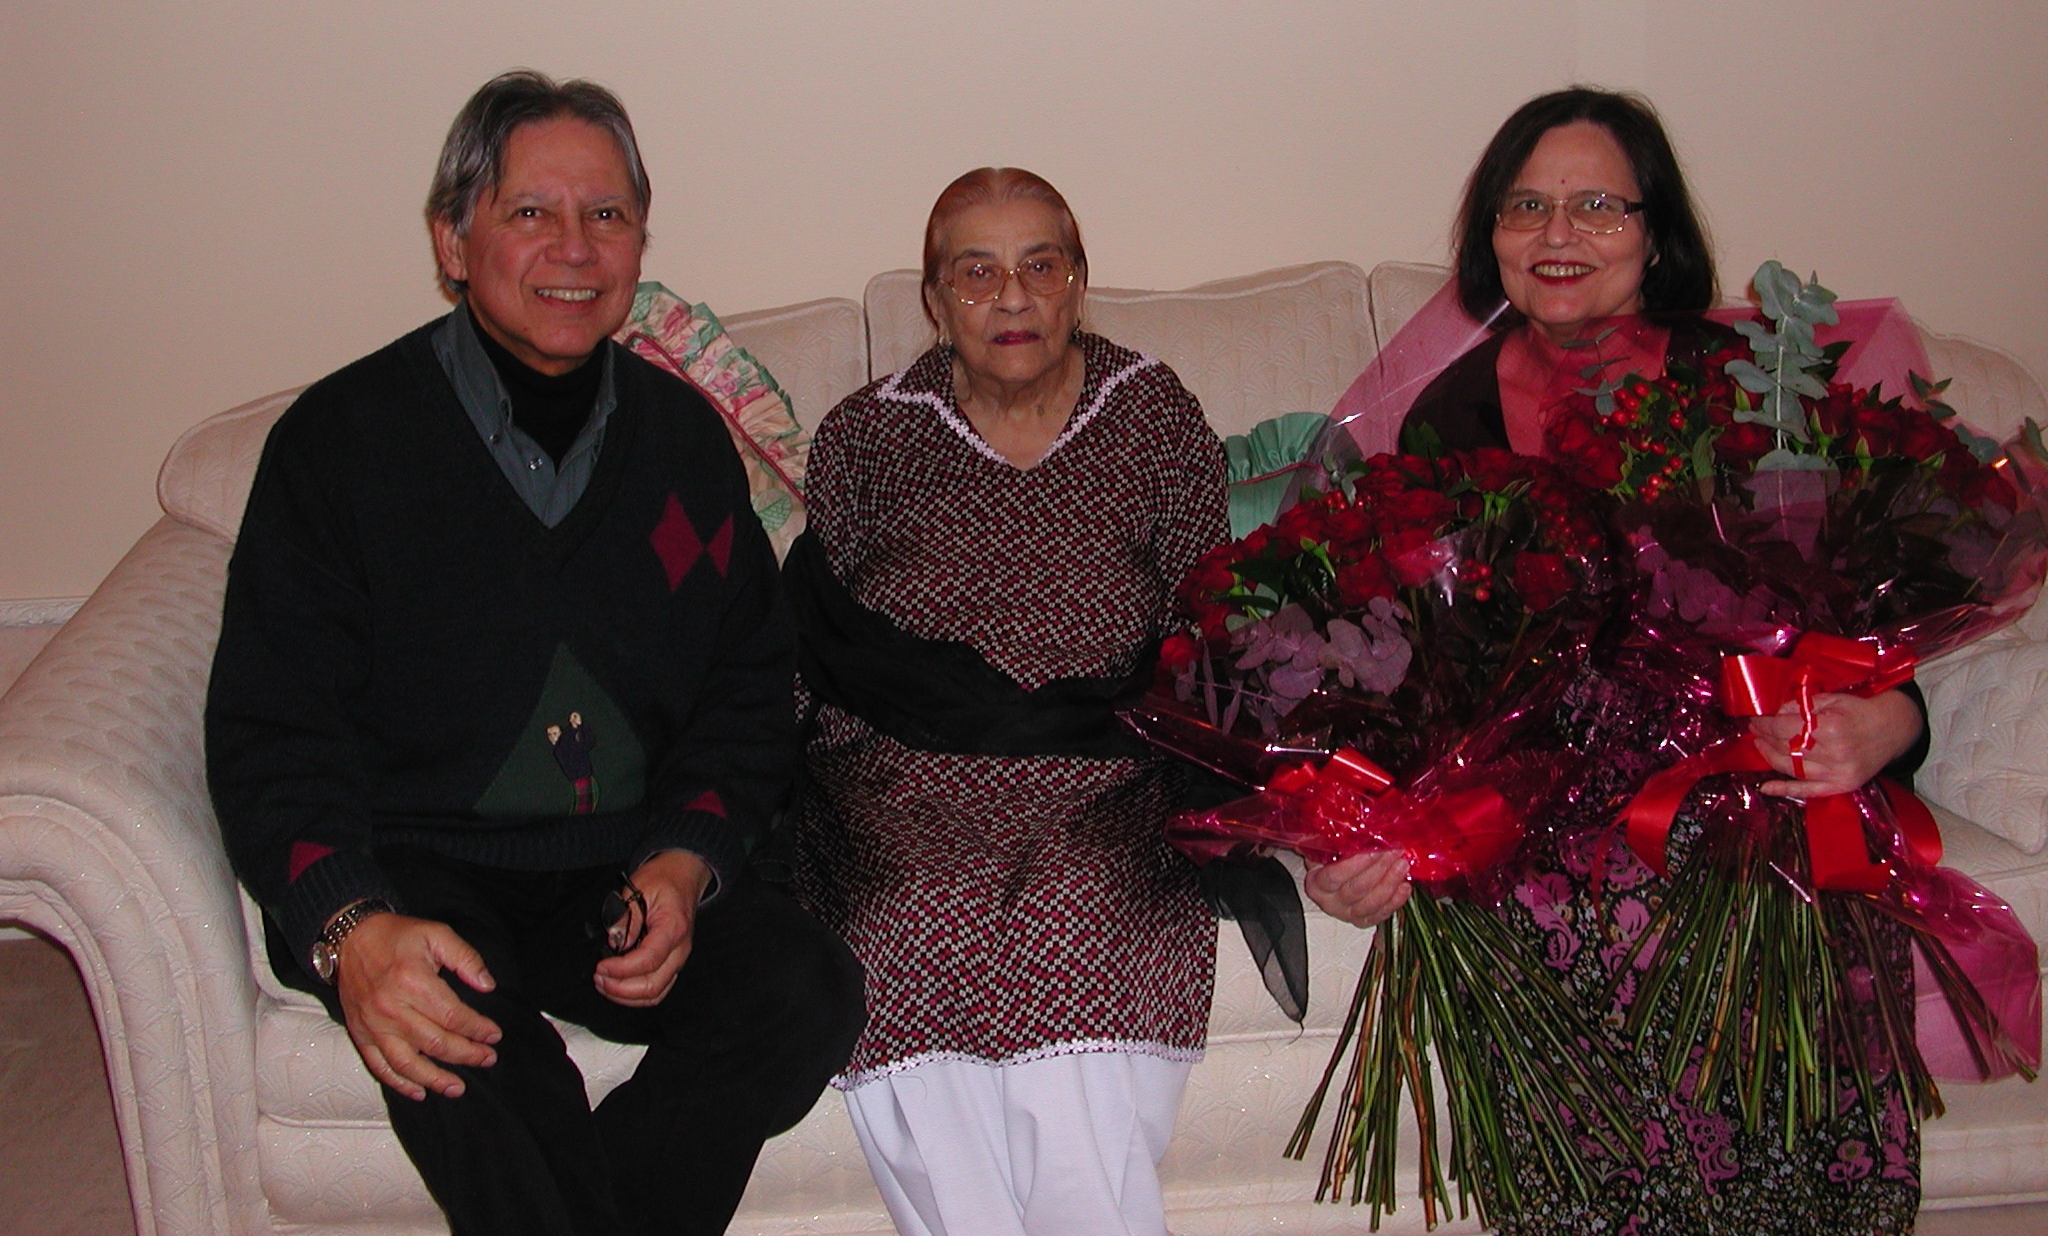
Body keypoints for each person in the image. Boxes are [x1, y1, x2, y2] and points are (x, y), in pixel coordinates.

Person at [205, 70, 864, 1236]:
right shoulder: (340, 446)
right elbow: (271, 730)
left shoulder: (683, 450)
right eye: (530, 212)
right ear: (452, 241)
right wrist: (349, 928)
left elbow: (747, 693)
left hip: (614, 869)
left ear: (639, 241)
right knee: (463, 1048)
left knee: (801, 992)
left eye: (606, 215)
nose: (575, 247)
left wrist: (684, 861)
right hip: (419, 868)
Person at [1305, 86, 1927, 1235]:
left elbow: (1865, 617)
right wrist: (1359, 829)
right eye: (1524, 206)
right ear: (1487, 235)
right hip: (1542, 782)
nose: (1554, 235)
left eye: (1595, 205)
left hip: (1737, 758)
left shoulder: (1755, 388)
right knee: (1542, 899)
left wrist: (1886, 724)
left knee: (1758, 873)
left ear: (1654, 233)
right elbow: (1427, 669)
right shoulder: (1449, 412)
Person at [787, 167, 1228, 1236]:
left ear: (1079, 284)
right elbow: (818, 639)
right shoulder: (864, 436)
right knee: (900, 913)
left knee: (1073, 902)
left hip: (1105, 773)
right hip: (898, 782)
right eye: (975, 272)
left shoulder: (1154, 415)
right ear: (933, 301)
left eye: (1040, 266)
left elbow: (1219, 620)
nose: (1013, 298)